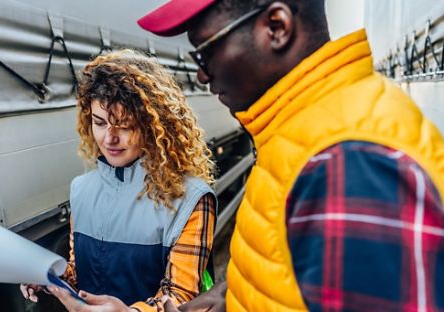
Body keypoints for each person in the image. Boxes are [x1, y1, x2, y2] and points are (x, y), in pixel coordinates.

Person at [136, 0, 444, 311]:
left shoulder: (349, 164)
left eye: (205, 52)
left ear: (277, 26)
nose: (202, 75)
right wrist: (233, 295)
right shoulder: (308, 132)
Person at [22, 49, 217, 312]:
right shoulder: (81, 189)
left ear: (152, 124)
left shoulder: (190, 197)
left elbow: (181, 296)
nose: (109, 138)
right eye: (99, 123)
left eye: (125, 125)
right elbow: (79, 273)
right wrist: (48, 277)